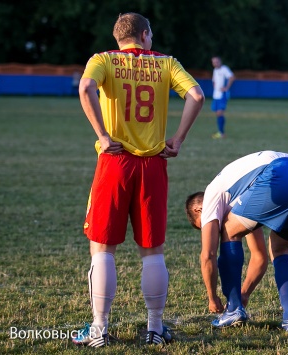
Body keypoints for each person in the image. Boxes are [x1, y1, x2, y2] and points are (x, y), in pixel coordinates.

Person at [72, 12, 205, 348]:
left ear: (120, 37)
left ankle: (99, 329)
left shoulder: (103, 59)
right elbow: (197, 96)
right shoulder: (166, 63)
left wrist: (102, 134)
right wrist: (177, 139)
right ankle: (155, 328)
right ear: (145, 35)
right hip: (152, 164)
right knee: (152, 250)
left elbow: (86, 87)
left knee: (103, 247)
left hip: (114, 161)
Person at [185, 151, 288, 332]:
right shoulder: (242, 198)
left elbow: (208, 255)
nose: (211, 231)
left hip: (279, 174)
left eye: (204, 226)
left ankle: (233, 309)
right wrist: (244, 293)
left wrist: (212, 297)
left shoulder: (212, 194)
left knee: (229, 231)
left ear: (199, 209)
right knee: (280, 250)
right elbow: (259, 257)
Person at [210, 56, 235, 139]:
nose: (215, 63)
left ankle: (221, 133)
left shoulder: (224, 69)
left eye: (217, 61)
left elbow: (231, 77)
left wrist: (226, 87)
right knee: (218, 114)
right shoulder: (215, 70)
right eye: (214, 62)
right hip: (216, 95)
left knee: (220, 113)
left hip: (222, 95)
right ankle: (221, 132)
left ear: (220, 61)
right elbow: (214, 80)